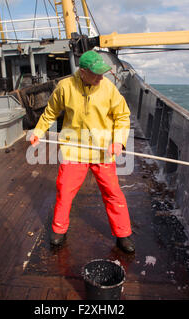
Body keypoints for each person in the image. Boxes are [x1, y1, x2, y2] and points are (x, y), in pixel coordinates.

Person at [29, 50, 135, 253]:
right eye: (96, 73)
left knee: (113, 193)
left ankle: (123, 234)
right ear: (83, 71)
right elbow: (51, 111)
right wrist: (39, 131)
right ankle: (59, 229)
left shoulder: (108, 88)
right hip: (74, 149)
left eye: (103, 73)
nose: (101, 77)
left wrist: (119, 142)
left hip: (103, 150)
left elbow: (122, 117)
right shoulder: (65, 87)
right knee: (64, 191)